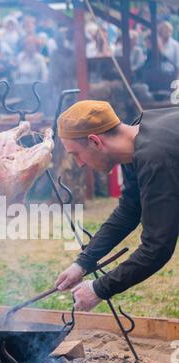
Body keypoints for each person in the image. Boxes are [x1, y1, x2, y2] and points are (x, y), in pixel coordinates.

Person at [55, 100, 179, 311]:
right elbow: (129, 210)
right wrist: (83, 263)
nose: (80, 163)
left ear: (95, 141)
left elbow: (157, 248)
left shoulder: (155, 156)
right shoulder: (138, 141)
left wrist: (98, 289)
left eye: (75, 154)